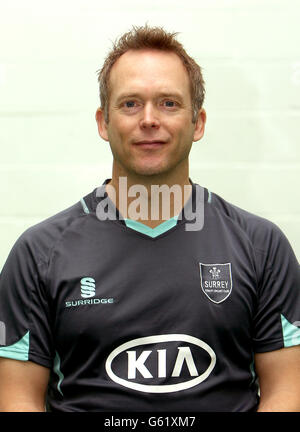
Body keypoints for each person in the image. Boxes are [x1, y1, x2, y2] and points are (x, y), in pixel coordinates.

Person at [0, 25, 299, 413]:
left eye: (169, 103)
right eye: (130, 104)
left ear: (199, 122)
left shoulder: (262, 246)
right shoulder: (38, 253)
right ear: (103, 122)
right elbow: (17, 398)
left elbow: (287, 390)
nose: (149, 119)